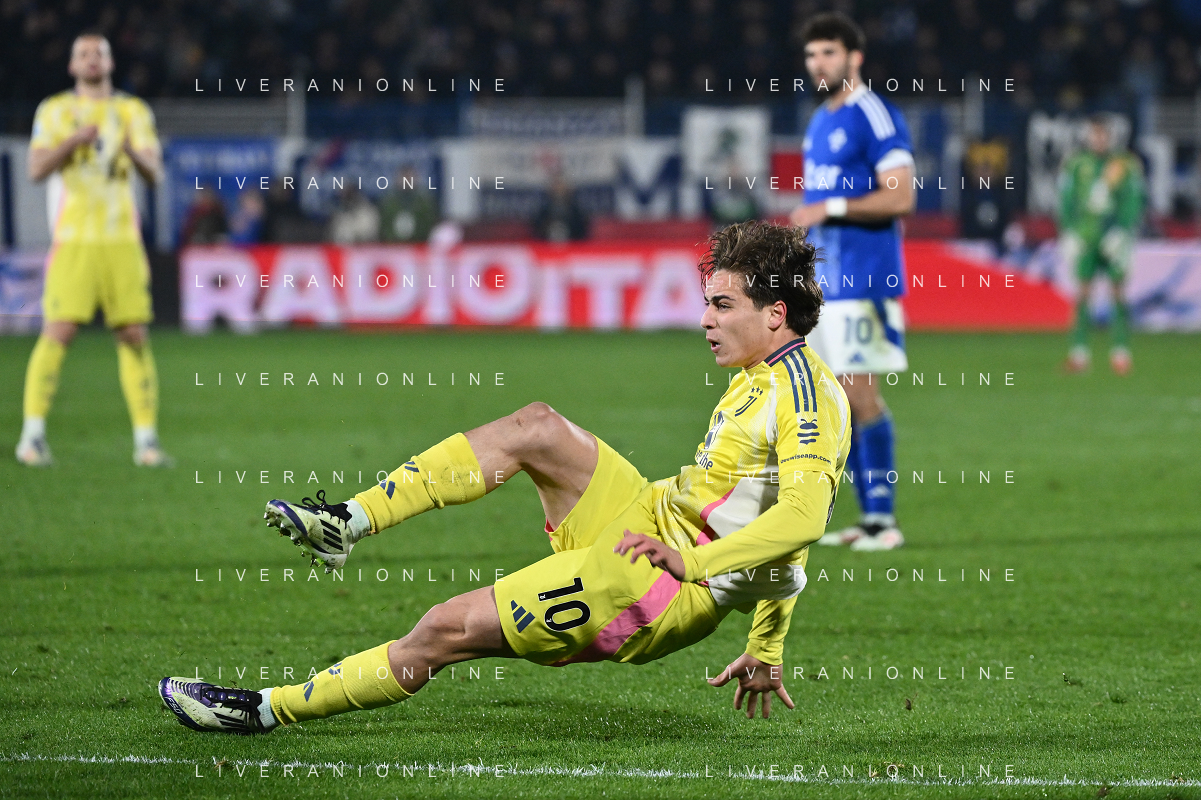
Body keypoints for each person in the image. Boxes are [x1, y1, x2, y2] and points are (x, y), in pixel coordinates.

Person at [159, 221, 851, 733]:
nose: (704, 319)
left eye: (722, 305)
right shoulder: (759, 373)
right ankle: (348, 521)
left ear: (774, 314)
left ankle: (261, 710)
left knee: (443, 629)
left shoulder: (807, 398)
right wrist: (764, 646)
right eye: (707, 302)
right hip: (648, 517)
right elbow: (770, 525)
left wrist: (700, 571)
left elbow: (801, 520)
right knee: (537, 427)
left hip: (657, 586)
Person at [789, 12, 915, 551]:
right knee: (835, 400)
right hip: (827, 284)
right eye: (812, 55)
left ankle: (884, 522)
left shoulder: (874, 114)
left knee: (862, 396)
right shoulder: (820, 120)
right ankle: (866, 519)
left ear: (854, 58)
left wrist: (830, 207)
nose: (818, 64)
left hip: (866, 279)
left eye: (829, 53)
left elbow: (901, 195)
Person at [16, 33, 171, 468]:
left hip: (123, 240)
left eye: (98, 53)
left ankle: (146, 442)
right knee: (58, 331)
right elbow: (35, 168)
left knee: (134, 335)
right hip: (74, 239)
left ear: (110, 62)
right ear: (72, 65)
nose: (91, 60)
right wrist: (73, 142)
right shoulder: (55, 110)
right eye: (83, 54)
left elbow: (155, 173)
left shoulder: (132, 111)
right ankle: (32, 437)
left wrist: (129, 149)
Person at [1059, 114, 1145, 375]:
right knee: (1083, 293)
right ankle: (1079, 354)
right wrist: (1068, 232)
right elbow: (1066, 199)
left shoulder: (1125, 164)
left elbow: (1134, 199)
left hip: (1113, 237)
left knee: (1118, 292)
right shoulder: (1076, 164)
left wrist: (1123, 230)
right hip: (1086, 237)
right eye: (1094, 134)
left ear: (1110, 136)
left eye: (1103, 135)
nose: (1099, 140)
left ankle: (1121, 353)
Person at [378, 165, 439, 243]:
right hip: (393, 244)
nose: (406, 180)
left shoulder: (425, 202)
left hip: (419, 243)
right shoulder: (388, 202)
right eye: (403, 177)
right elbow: (383, 226)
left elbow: (430, 225)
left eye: (409, 177)